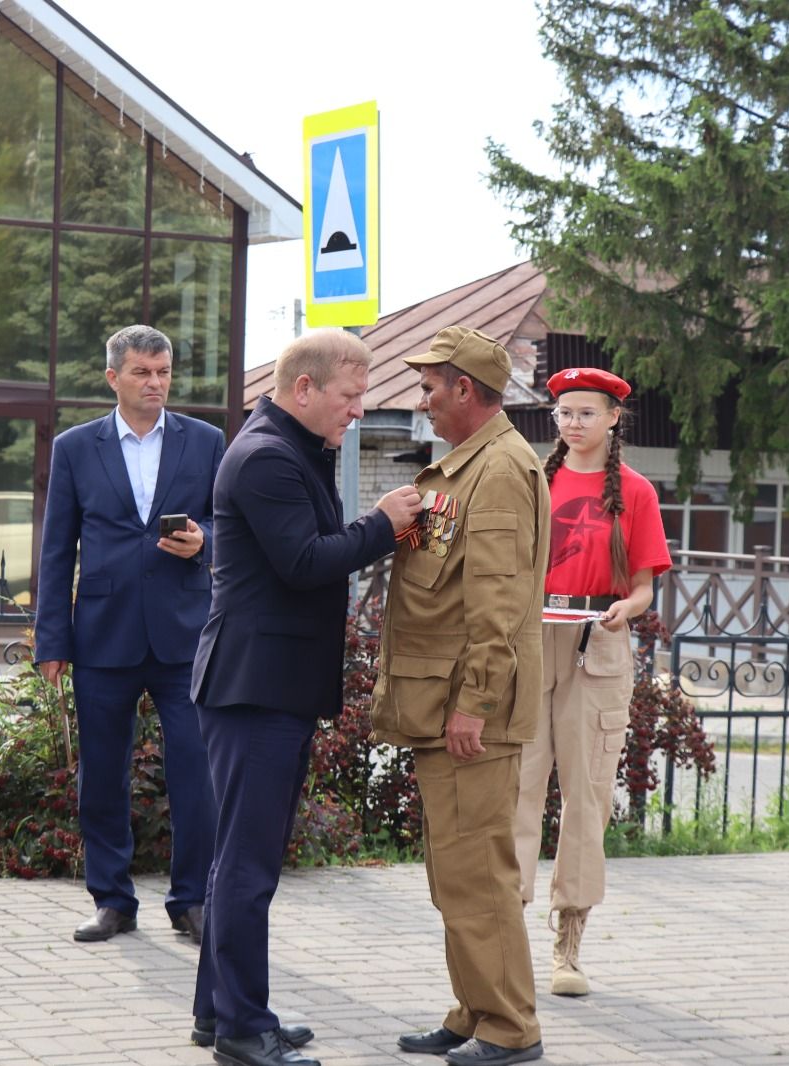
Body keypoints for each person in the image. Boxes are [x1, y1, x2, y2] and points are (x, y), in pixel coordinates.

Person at [190, 330, 423, 1066]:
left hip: (270, 683)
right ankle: (240, 1030)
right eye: (350, 397)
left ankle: (221, 1011)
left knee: (241, 860)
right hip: (255, 686)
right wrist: (383, 526)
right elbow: (303, 563)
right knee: (247, 867)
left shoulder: (293, 449)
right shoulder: (267, 457)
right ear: (304, 390)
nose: (358, 410)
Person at [373, 326, 551, 1066]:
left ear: (467, 392)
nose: (423, 402)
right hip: (440, 705)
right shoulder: (456, 472)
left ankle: (511, 1029)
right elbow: (426, 584)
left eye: (431, 388)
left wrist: (475, 703)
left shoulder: (501, 470)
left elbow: (498, 606)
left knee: (478, 870)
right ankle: (474, 1009)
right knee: (454, 870)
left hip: (467, 712)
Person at [33, 324, 221, 946]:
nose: (156, 383)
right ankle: (112, 900)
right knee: (103, 774)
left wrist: (204, 543)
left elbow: (228, 523)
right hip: (103, 636)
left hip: (184, 636)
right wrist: (51, 641)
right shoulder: (75, 447)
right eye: (142, 372)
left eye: (164, 371)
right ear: (113, 377)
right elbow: (58, 548)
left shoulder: (207, 441)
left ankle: (191, 900)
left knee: (196, 771)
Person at [510, 367, 671, 998]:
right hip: (533, 643)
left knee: (586, 798)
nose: (572, 423)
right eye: (563, 413)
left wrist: (625, 610)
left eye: (585, 412)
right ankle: (506, 936)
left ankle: (567, 945)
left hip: (597, 647)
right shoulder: (534, 481)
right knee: (518, 789)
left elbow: (644, 588)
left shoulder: (635, 492)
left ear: (612, 420)